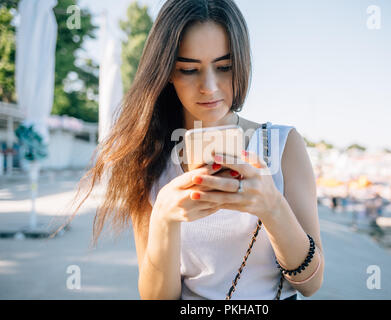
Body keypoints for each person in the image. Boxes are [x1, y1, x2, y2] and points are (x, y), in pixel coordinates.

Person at [58, 0, 324, 300]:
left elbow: (311, 284)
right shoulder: (149, 156)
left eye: (224, 67)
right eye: (188, 69)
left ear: (243, 63)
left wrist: (272, 207)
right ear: (168, 71)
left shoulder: (281, 146)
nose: (209, 87)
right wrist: (163, 219)